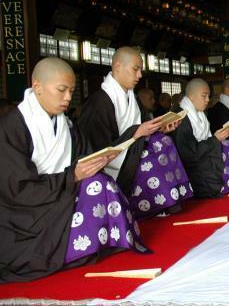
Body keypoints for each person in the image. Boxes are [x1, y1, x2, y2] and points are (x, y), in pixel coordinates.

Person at [0, 58, 146, 283]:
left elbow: (84, 157)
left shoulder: (66, 125)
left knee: (100, 183)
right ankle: (74, 249)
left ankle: (90, 244)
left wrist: (100, 159)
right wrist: (73, 176)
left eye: (71, 90)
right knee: (95, 186)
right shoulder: (12, 127)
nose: (68, 97)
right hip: (27, 216)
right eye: (61, 90)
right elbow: (16, 189)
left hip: (61, 198)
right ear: (37, 86)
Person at [78, 47, 192, 218]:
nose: (139, 75)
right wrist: (136, 133)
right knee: (156, 149)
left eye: (140, 70)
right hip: (113, 165)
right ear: (117, 67)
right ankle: (157, 205)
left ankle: (168, 202)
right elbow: (96, 149)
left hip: (133, 151)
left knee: (163, 141)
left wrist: (161, 128)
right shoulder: (98, 103)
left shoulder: (132, 98)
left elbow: (144, 128)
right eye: (135, 69)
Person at [173, 79, 229, 197]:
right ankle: (223, 184)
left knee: (226, 145)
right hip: (192, 169)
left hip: (204, 160)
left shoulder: (199, 114)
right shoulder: (180, 118)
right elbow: (188, 153)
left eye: (208, 96)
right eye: (204, 96)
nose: (208, 100)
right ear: (191, 97)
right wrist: (215, 140)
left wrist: (220, 137)